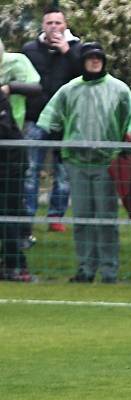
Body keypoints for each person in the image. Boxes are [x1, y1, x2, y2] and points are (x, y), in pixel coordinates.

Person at [36, 42, 131, 284]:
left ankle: (109, 271)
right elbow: (50, 119)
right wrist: (55, 143)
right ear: (82, 61)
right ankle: (85, 268)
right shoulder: (69, 90)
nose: (94, 62)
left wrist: (127, 141)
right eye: (90, 58)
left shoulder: (119, 90)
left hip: (106, 163)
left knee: (106, 219)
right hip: (77, 162)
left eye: (98, 58)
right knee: (82, 218)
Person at [22, 5, 82, 238]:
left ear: (65, 25)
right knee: (30, 169)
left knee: (63, 170)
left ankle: (56, 216)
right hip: (35, 118)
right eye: (50, 23)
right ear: (43, 26)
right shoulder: (30, 49)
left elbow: (84, 76)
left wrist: (67, 51)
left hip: (65, 119)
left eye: (58, 23)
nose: (54, 27)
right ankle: (27, 214)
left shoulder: (77, 49)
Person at [0, 87, 32, 282]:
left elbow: (3, 130)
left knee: (7, 214)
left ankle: (16, 266)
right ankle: (14, 264)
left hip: (11, 165)